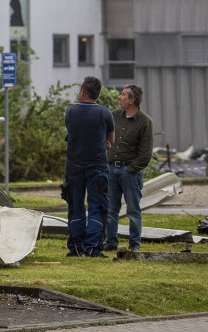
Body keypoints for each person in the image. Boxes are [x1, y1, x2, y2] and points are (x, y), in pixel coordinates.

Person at [64, 76, 115, 257]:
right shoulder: (105, 113)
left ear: (82, 92)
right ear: (97, 94)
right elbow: (111, 140)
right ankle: (93, 247)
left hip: (74, 168)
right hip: (98, 167)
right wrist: (104, 142)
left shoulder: (70, 112)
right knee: (97, 206)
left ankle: (76, 247)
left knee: (76, 206)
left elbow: (71, 131)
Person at [104, 84, 154, 252]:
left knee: (133, 209)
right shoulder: (114, 116)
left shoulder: (145, 122)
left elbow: (145, 153)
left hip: (130, 172)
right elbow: (104, 136)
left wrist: (130, 169)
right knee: (111, 209)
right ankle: (110, 242)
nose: (119, 97)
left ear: (132, 100)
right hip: (111, 169)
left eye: (123, 95)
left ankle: (134, 244)